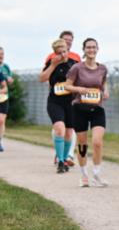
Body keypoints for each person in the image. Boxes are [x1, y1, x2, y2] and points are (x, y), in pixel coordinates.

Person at [65, 38, 110, 187]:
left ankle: (96, 175)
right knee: (82, 144)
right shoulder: (77, 68)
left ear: (97, 49)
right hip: (79, 109)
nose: (91, 50)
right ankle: (84, 175)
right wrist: (79, 89)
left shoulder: (102, 68)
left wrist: (106, 91)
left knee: (97, 142)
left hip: (97, 109)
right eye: (88, 47)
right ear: (84, 50)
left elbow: (103, 83)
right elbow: (67, 86)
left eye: (93, 47)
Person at [39, 38, 79, 173]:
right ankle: (60, 161)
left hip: (71, 102)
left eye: (64, 51)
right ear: (55, 53)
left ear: (68, 51)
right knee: (59, 129)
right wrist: (52, 65)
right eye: (59, 53)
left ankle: (65, 158)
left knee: (68, 133)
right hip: (55, 102)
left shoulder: (74, 64)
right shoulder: (51, 63)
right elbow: (42, 78)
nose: (62, 55)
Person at [0, 46, 14, 152]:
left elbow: (10, 81)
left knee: (1, 120)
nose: (0, 56)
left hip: (4, 97)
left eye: (2, 54)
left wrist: (10, 80)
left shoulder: (6, 67)